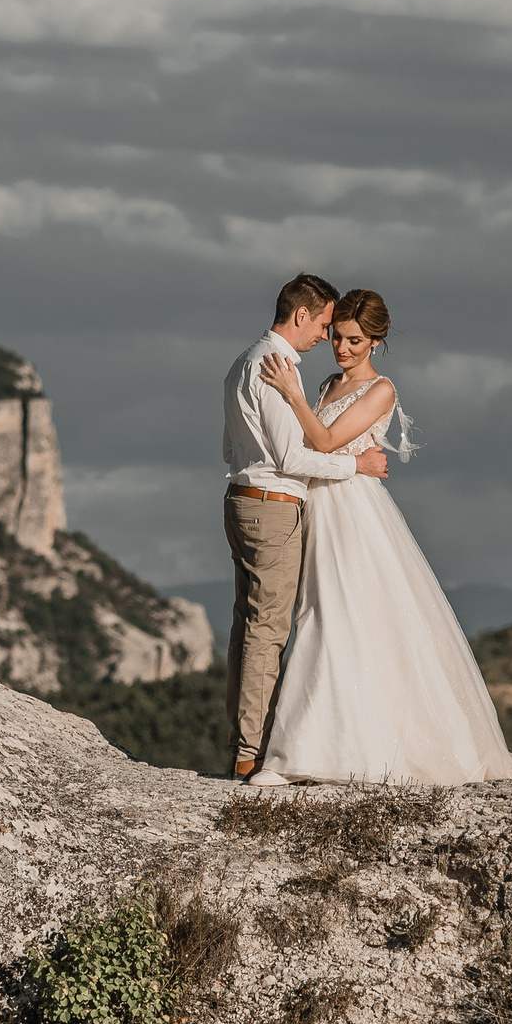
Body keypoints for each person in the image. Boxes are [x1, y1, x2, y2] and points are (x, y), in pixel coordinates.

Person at [251, 288, 512, 786]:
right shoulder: (324, 384)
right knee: (320, 615)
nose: (342, 349)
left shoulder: (381, 389)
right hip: (319, 506)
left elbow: (321, 441)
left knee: (341, 617)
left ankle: (306, 756)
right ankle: (325, 748)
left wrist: (292, 396)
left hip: (354, 514)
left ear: (377, 342)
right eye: (337, 338)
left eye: (355, 341)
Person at [221, 274, 391, 783]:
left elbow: (233, 446)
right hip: (276, 504)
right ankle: (251, 752)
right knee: (269, 630)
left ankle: (254, 744)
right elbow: (297, 453)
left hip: (272, 503)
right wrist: (355, 467)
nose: (330, 341)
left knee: (260, 628)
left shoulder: (248, 362)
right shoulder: (279, 369)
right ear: (303, 316)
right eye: (326, 328)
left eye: (347, 337)